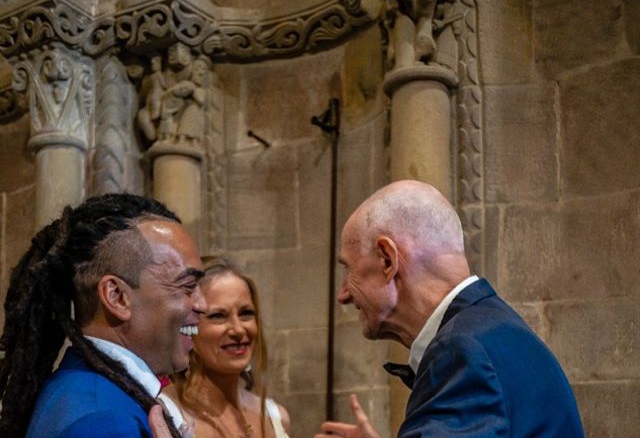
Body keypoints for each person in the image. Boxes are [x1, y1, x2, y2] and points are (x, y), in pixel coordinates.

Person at [315, 180, 585, 437]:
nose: (343, 294)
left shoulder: (462, 351)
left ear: (387, 259)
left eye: (349, 269)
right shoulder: (490, 329)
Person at [0, 193, 205, 438]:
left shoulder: (87, 390)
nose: (203, 304)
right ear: (117, 296)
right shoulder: (105, 422)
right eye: (187, 286)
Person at [164, 257, 291, 438]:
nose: (238, 330)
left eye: (246, 313)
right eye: (218, 316)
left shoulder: (275, 416)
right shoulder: (167, 413)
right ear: (188, 325)